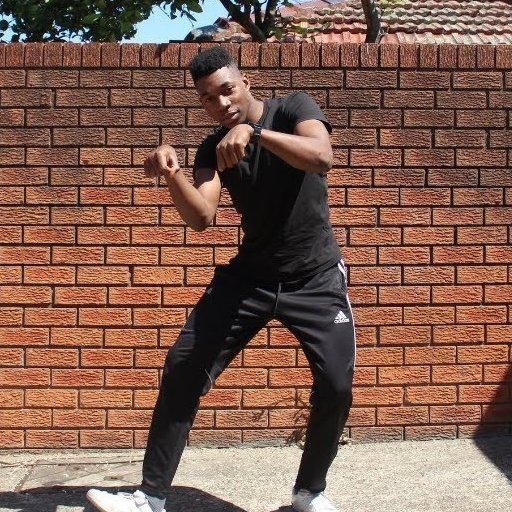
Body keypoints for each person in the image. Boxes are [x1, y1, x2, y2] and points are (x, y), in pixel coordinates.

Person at [86, 46, 356, 512]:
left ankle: (309, 492)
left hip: (315, 278)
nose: (221, 103)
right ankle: (149, 497)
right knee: (183, 367)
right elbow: (201, 216)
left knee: (336, 385)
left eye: (227, 90)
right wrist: (172, 175)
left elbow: (321, 156)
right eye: (208, 98)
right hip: (249, 280)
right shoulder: (212, 148)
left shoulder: (293, 108)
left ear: (245, 81)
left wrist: (257, 133)